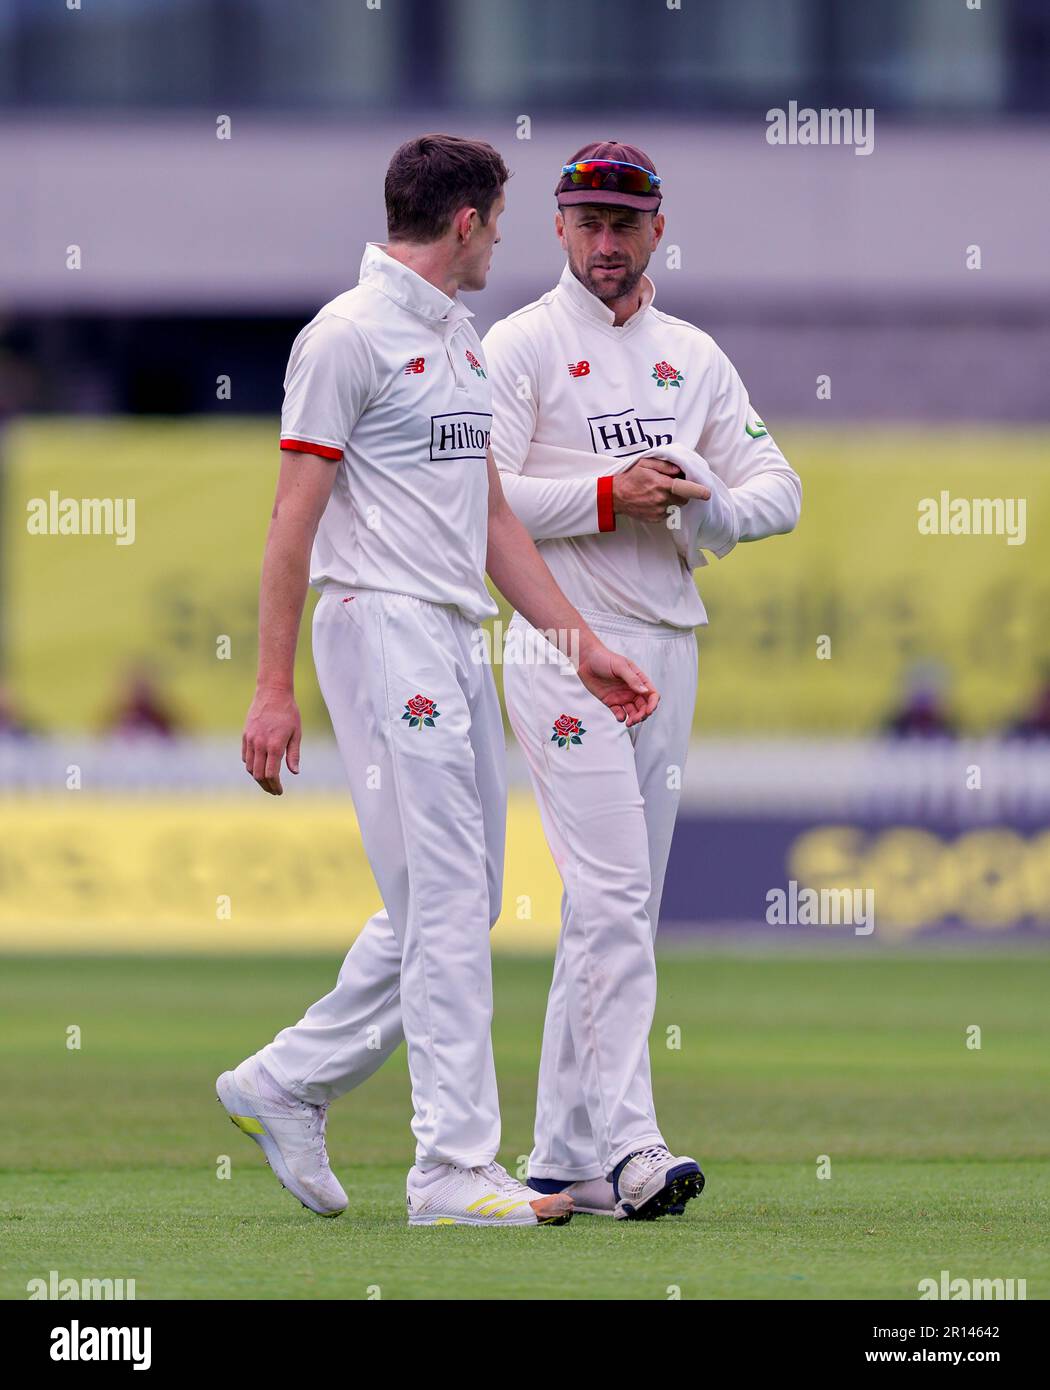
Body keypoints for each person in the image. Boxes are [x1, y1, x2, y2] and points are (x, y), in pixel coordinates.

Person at [217, 134, 660, 1229]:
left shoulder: (456, 337)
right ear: (466, 221)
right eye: (500, 223)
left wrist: (577, 640)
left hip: (457, 632)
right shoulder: (347, 337)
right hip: (380, 628)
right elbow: (290, 523)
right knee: (453, 902)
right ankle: (452, 1172)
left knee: (441, 902)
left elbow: (494, 520)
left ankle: (288, 1079)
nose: (503, 241)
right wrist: (271, 687)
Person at [482, 141, 802, 1219]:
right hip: (561, 639)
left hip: (667, 640)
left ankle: (561, 1158)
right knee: (615, 894)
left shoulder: (692, 357)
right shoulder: (518, 345)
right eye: (586, 221)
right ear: (558, 229)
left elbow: (780, 492)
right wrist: (609, 495)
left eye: (625, 224)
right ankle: (633, 1146)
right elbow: (480, 503)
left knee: (615, 906)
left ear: (658, 228)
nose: (605, 243)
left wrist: (693, 502)